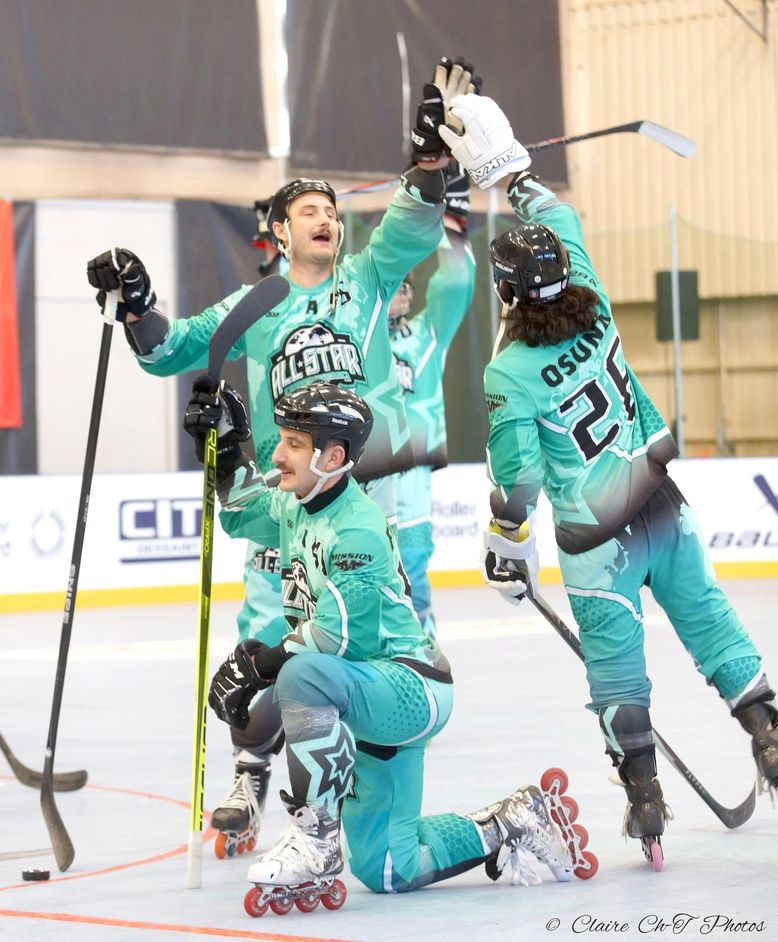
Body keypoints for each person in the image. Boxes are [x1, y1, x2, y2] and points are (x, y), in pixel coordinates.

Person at [85, 58, 480, 859]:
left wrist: (430, 160)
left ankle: (348, 783)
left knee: (352, 634)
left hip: (360, 497)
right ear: (279, 232)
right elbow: (169, 351)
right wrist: (136, 305)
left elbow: (411, 224)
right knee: (267, 627)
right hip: (282, 500)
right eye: (307, 210)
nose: (325, 217)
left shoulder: (368, 279)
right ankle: (250, 776)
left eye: (331, 209)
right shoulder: (257, 304)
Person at [436, 91, 778, 870]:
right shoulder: (595, 304)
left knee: (617, 673)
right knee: (711, 623)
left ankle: (645, 799)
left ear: (504, 291)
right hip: (663, 507)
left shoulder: (507, 372)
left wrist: (507, 538)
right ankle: (771, 740)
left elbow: (519, 475)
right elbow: (555, 213)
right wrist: (508, 168)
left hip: (598, 544)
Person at [182, 377, 594, 910]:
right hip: (365, 690)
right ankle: (513, 819)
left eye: (293, 444)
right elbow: (240, 511)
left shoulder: (358, 528)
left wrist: (260, 667)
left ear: (332, 457)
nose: (278, 455)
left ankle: (315, 839)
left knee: (300, 673)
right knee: (388, 870)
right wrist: (224, 447)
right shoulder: (295, 504)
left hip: (411, 686)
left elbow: (334, 637)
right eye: (281, 440)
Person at [389, 160, 476, 637]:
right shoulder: (346, 332)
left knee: (412, 575)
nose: (400, 292)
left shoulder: (426, 335)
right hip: (353, 476)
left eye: (405, 286)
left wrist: (452, 214)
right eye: (392, 285)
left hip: (410, 479)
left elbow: (456, 281)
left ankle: (423, 654)